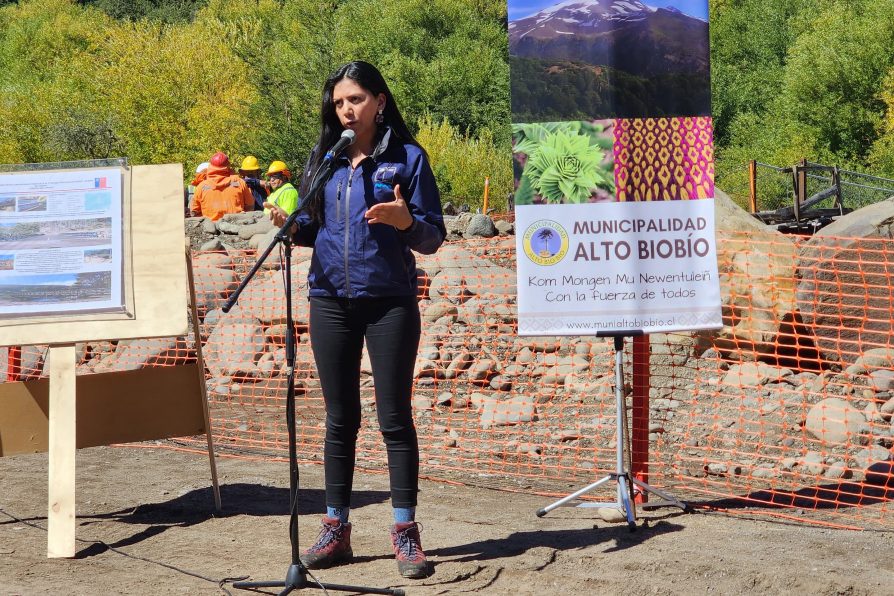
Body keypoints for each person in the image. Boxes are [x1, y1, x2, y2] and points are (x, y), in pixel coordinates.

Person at [267, 60, 445, 579]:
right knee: (339, 419)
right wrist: (290, 224)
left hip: (389, 300)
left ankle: (406, 532)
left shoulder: (408, 159)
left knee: (394, 417)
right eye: (340, 101)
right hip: (328, 298)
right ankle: (335, 529)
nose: (347, 109)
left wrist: (405, 220)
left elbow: (432, 237)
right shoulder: (324, 159)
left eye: (357, 99)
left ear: (380, 101)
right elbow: (311, 229)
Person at [189, 151, 254, 221]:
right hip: (236, 227)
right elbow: (250, 207)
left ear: (211, 166)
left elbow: (194, 212)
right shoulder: (239, 182)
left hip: (211, 228)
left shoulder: (201, 187)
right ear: (228, 166)